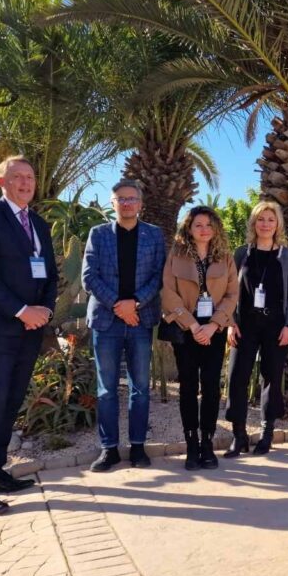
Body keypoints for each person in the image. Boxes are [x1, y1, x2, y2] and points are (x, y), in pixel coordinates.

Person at [0, 156, 58, 517]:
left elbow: (50, 276)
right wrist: (21, 311)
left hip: (31, 329)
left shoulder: (39, 224)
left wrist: (44, 311)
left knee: (12, 400)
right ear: (1, 182)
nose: (25, 182)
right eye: (17, 176)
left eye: (30, 176)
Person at [82, 179, 165, 471]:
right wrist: (119, 305)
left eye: (132, 198)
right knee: (106, 388)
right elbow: (89, 276)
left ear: (140, 203)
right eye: (121, 198)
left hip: (141, 320)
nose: (127, 203)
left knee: (139, 387)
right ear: (113, 203)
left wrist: (135, 304)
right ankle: (109, 449)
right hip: (106, 321)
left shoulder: (155, 235)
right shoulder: (98, 234)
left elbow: (159, 276)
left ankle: (138, 447)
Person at [161, 207, 239, 469]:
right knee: (188, 386)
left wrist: (214, 325)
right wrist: (193, 325)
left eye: (208, 224)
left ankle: (207, 442)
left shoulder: (225, 257)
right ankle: (191, 443)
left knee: (211, 386)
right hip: (186, 328)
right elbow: (168, 293)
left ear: (215, 228)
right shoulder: (177, 255)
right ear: (189, 228)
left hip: (214, 330)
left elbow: (232, 294)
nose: (204, 229)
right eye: (198, 225)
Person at [225, 201, 288, 457]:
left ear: (277, 224)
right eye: (261, 219)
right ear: (253, 223)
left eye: (271, 219)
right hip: (244, 325)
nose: (265, 224)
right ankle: (239, 435)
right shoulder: (241, 253)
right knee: (237, 377)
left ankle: (267, 433)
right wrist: (230, 323)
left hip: (275, 325)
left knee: (272, 378)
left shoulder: (285, 255)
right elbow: (229, 291)